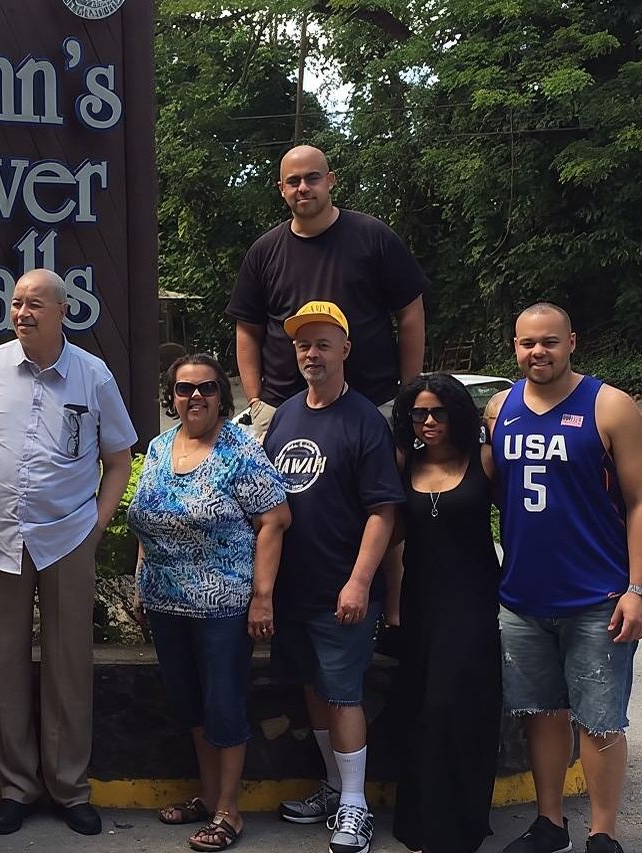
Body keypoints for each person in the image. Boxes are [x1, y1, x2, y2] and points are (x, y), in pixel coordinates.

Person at [0, 268, 138, 837]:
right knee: (4, 662)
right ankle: (16, 787)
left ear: (64, 311)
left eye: (35, 303)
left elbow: (119, 458)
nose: (22, 313)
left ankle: (68, 788)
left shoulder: (93, 374)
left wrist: (98, 525)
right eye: (15, 303)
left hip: (68, 537)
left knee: (68, 664)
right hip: (0, 539)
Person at [484, 304, 642, 853]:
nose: (538, 352)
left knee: (601, 720)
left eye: (550, 342)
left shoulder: (609, 406)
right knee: (541, 714)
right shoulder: (499, 408)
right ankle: (550, 822)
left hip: (597, 596)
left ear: (572, 342)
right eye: (527, 343)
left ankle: (603, 832)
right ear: (514, 346)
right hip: (522, 596)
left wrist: (639, 589)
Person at [128, 354, 290, 851]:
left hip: (223, 604)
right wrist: (140, 580)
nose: (194, 396)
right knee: (190, 706)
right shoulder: (158, 447)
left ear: (222, 395)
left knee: (223, 705)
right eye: (183, 388)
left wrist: (262, 598)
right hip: (165, 601)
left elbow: (275, 521)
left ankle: (228, 811)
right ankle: (206, 795)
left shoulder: (239, 450)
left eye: (205, 388)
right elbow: (146, 519)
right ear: (171, 396)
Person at [262, 301, 404, 853]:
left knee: (344, 696)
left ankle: (355, 806)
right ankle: (331, 787)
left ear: (346, 349)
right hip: (293, 590)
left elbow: (383, 511)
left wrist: (360, 582)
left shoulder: (366, 420)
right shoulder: (287, 415)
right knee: (313, 691)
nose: (311, 353)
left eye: (323, 343)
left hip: (341, 590)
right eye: (303, 344)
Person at [228, 144, 428, 438]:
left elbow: (410, 312)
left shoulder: (373, 237)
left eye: (313, 178)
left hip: (373, 402)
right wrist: (256, 400)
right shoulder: (264, 251)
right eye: (294, 181)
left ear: (330, 180)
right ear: (281, 188)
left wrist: (409, 392)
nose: (303, 188)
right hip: (281, 408)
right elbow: (247, 328)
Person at [389, 373, 501, 853]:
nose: (429, 421)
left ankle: (458, 827)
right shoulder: (402, 462)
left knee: (454, 707)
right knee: (419, 709)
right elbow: (388, 535)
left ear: (457, 413)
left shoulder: (485, 461)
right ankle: (420, 823)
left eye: (438, 412)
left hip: (473, 603)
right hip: (420, 603)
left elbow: (522, 522)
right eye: (419, 413)